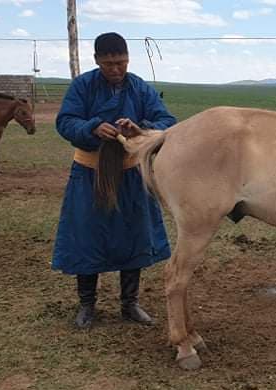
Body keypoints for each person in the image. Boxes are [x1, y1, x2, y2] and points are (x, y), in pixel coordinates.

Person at [53, 32, 177, 328]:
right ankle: (87, 305)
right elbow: (65, 121)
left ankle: (130, 303)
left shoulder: (139, 88)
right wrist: (92, 128)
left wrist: (141, 129)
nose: (116, 69)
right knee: (86, 236)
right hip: (89, 174)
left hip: (130, 175)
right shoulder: (82, 86)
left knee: (134, 235)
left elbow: (167, 122)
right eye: (109, 64)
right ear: (97, 60)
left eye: (121, 62)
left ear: (128, 59)